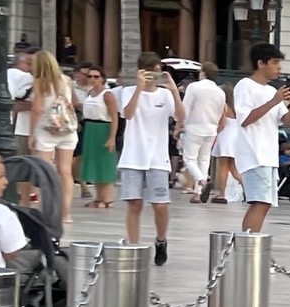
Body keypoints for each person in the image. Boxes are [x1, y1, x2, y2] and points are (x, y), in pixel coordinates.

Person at [113, 51, 180, 263]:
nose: (154, 75)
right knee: (134, 203)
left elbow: (181, 117)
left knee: (160, 204)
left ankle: (161, 240)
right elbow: (128, 114)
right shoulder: (128, 91)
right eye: (149, 72)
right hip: (133, 155)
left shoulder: (165, 95)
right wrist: (139, 89)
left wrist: (174, 91)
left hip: (158, 157)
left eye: (157, 71)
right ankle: (133, 247)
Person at [228, 43, 290, 233]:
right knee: (260, 202)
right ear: (261, 63)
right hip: (254, 153)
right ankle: (248, 243)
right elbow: (245, 119)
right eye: (275, 62)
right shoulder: (245, 86)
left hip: (268, 155)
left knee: (264, 203)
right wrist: (274, 101)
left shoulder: (270, 91)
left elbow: (285, 120)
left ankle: (250, 242)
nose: (279, 67)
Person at [26, 50, 79, 235]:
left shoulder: (40, 82)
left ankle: (46, 209)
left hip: (46, 130)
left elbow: (37, 110)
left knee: (45, 171)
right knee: (65, 171)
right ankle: (65, 213)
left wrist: (31, 134)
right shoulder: (65, 80)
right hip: (66, 129)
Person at [179, 61, 226, 203]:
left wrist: (180, 124)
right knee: (204, 160)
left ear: (203, 72)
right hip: (211, 128)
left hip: (194, 127)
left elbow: (185, 108)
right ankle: (198, 192)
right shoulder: (220, 91)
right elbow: (220, 111)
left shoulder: (194, 87)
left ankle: (201, 181)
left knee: (189, 159)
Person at [74, 65, 117, 207]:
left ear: (102, 78)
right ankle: (99, 197)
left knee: (105, 163)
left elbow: (114, 117)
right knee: (94, 163)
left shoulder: (107, 94)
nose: (93, 79)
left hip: (103, 128)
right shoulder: (89, 93)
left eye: (96, 76)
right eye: (90, 76)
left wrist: (111, 137)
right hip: (90, 128)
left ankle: (108, 198)